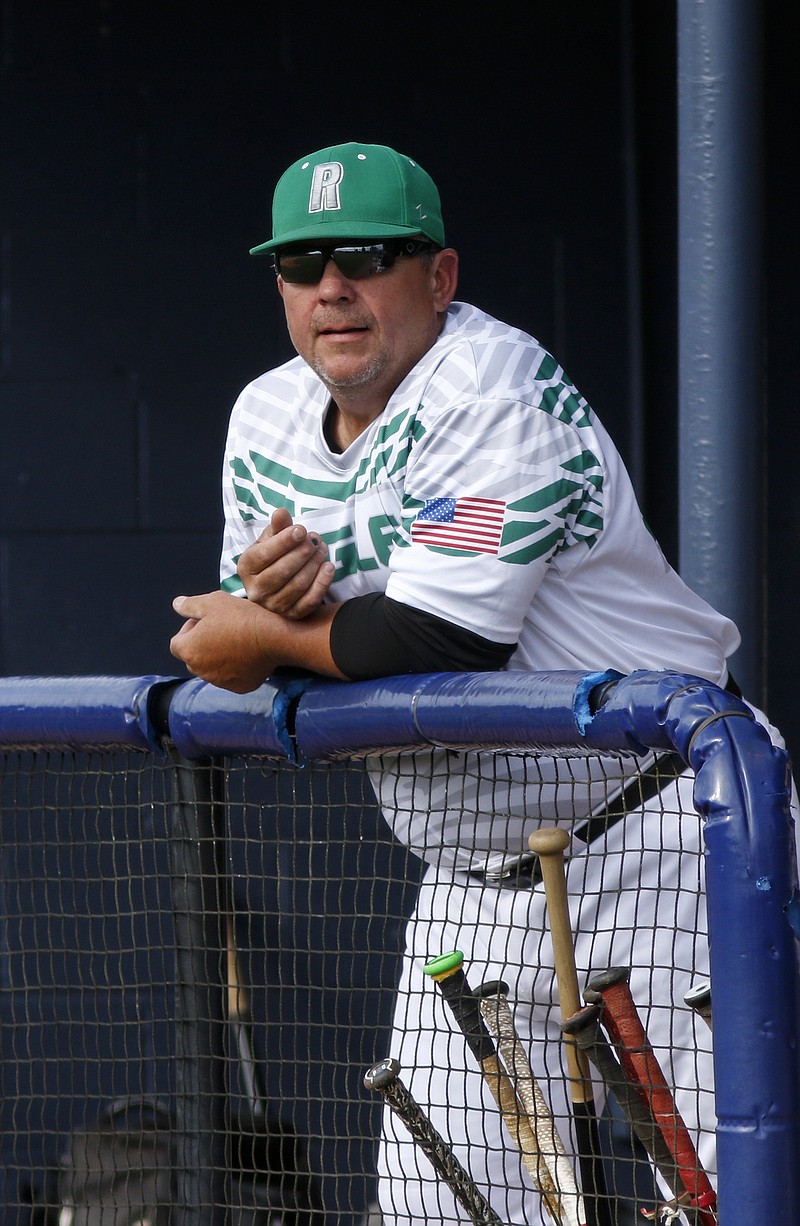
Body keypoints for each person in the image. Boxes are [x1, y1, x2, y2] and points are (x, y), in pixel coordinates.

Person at [169, 141, 792, 1226]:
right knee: (432, 1209)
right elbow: (242, 633)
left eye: (364, 255)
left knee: (729, 1200)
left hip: (656, 834)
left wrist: (269, 632)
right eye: (301, 263)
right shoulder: (263, 418)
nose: (332, 288)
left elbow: (443, 634)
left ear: (439, 276)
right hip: (467, 879)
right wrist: (273, 624)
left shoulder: (494, 384)